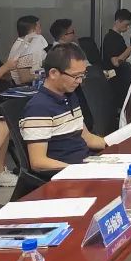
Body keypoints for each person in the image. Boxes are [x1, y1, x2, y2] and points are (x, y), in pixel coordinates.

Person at [20, 43, 106, 171]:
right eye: (75, 76)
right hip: (68, 172)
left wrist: (117, 144)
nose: (80, 81)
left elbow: (87, 138)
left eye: (82, 75)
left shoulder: (70, 96)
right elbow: (38, 162)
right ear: (53, 73)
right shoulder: (38, 108)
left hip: (86, 162)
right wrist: (78, 170)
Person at [6, 15, 48, 83]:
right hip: (25, 86)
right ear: (33, 30)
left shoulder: (23, 43)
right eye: (39, 27)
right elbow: (25, 78)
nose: (41, 30)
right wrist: (47, 74)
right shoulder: (26, 48)